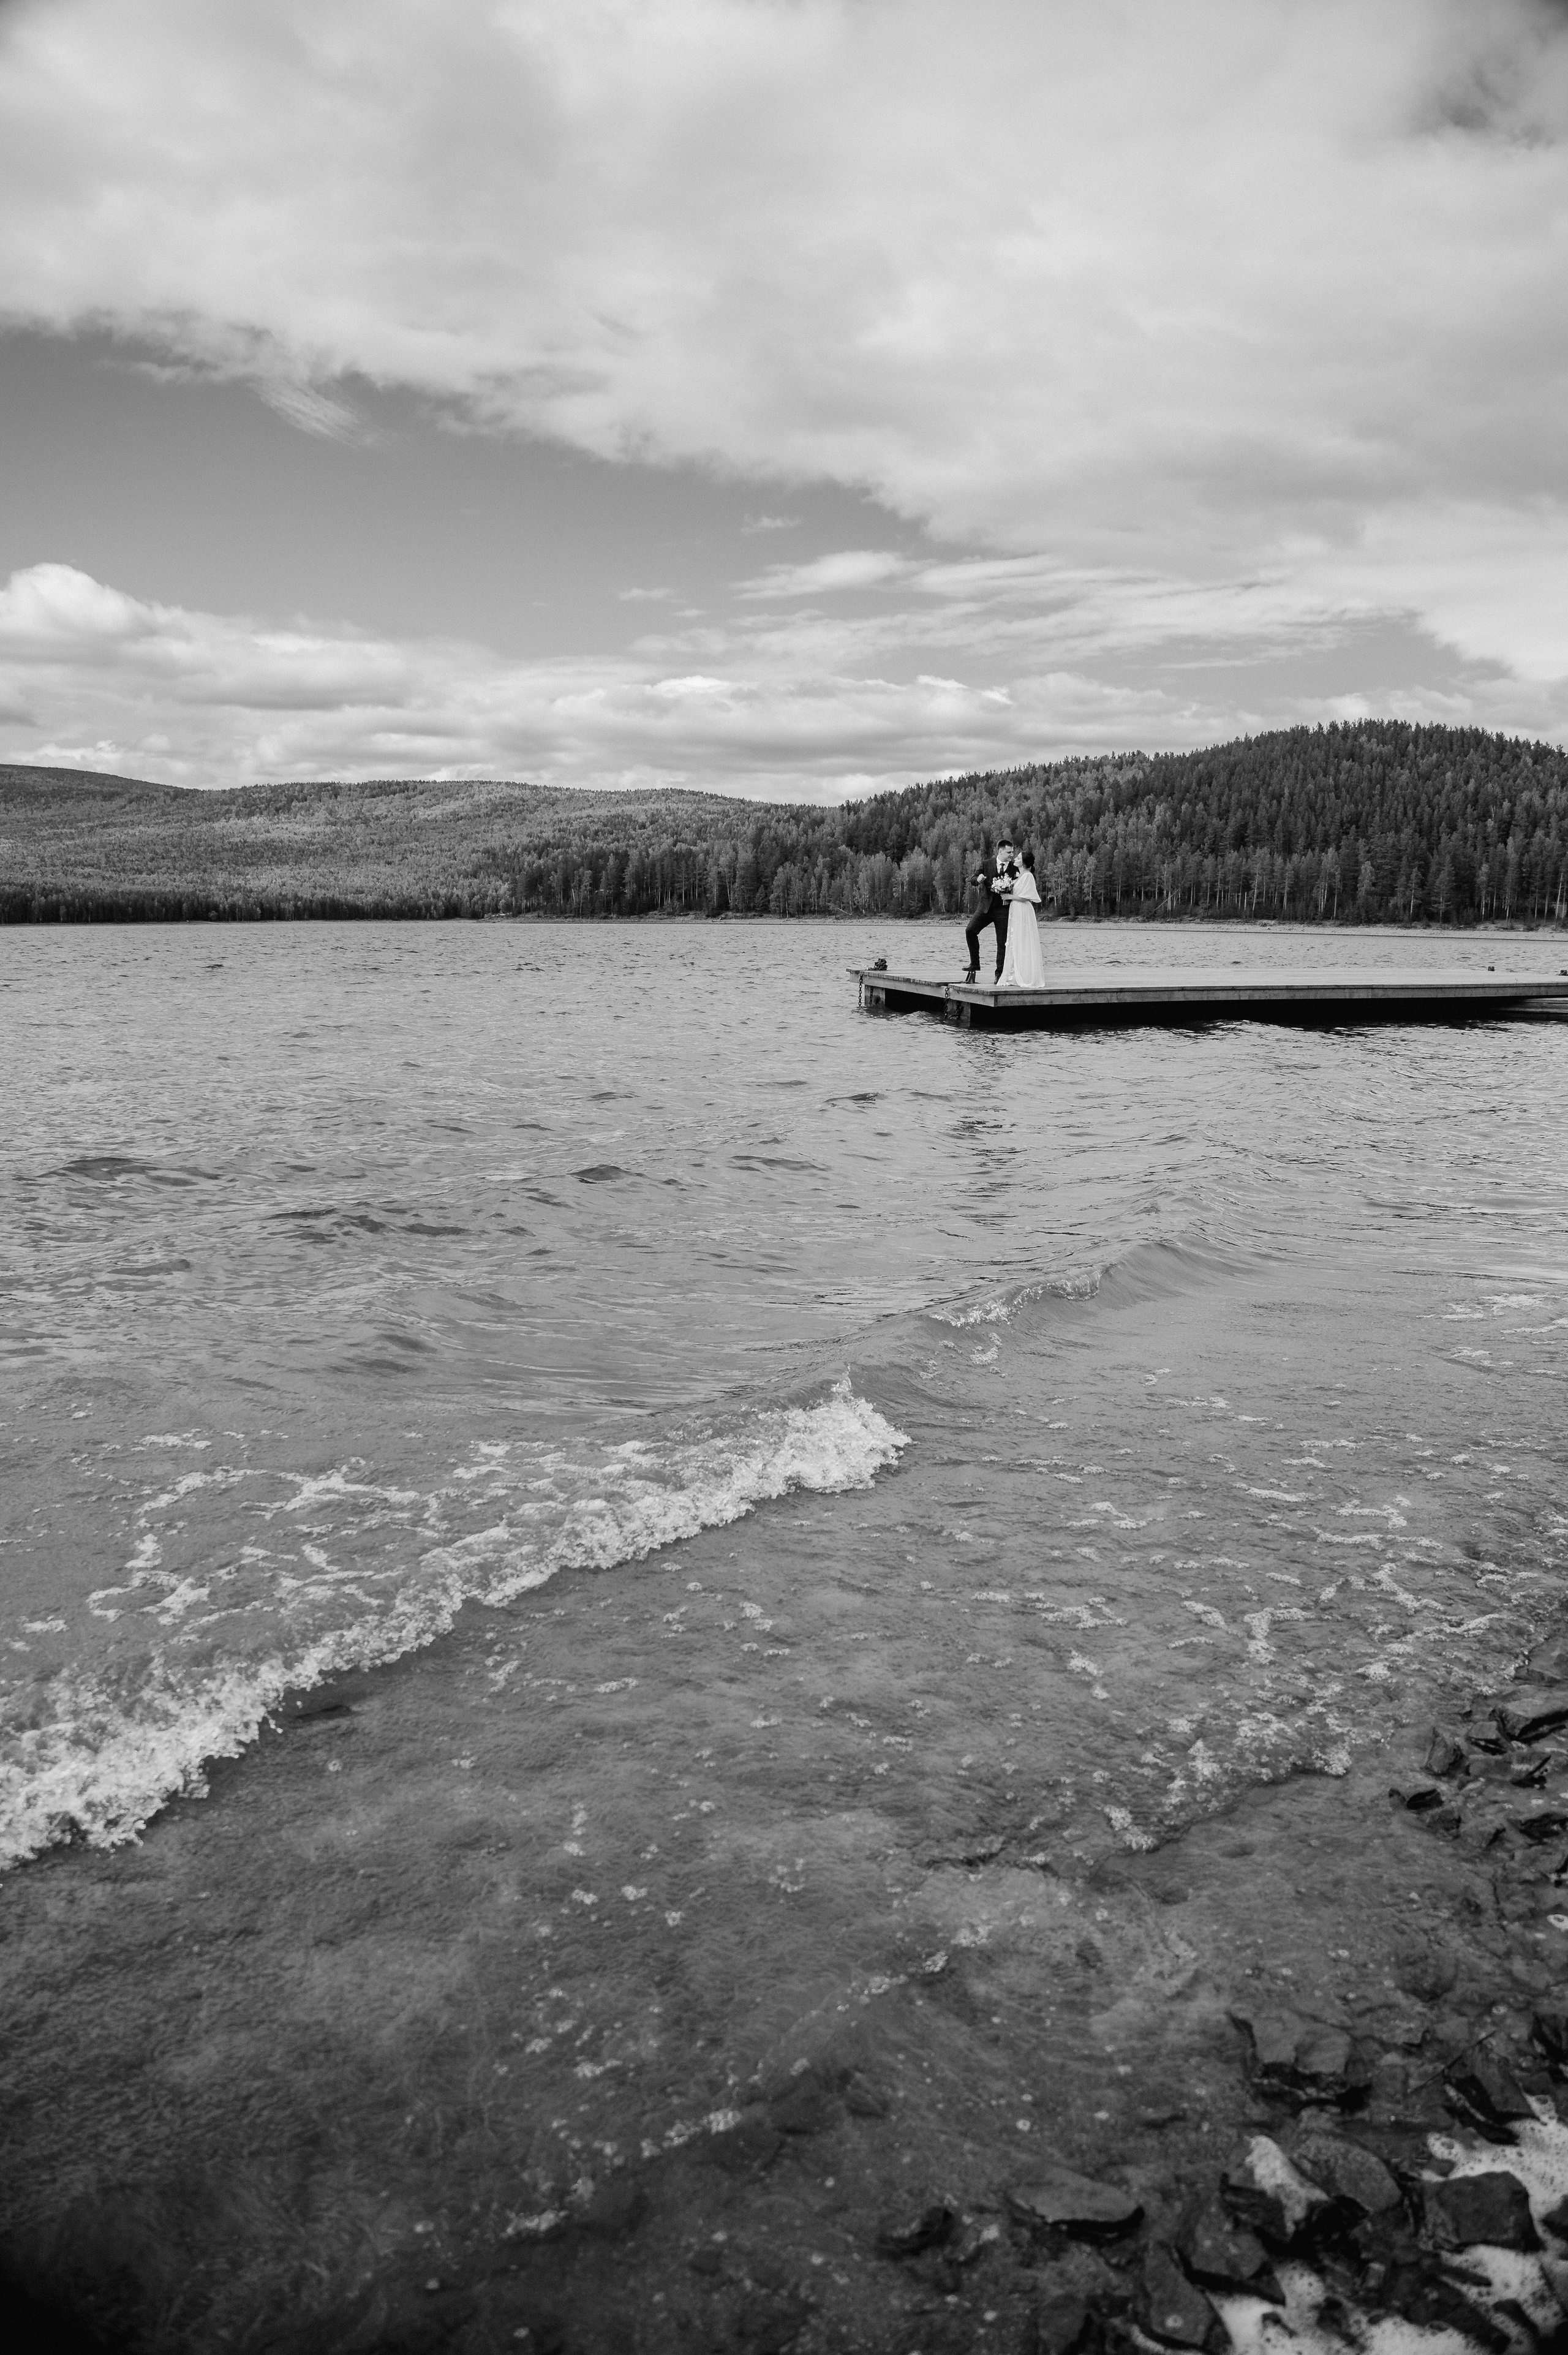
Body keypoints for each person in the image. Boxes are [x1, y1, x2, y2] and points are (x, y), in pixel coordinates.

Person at [963, 840, 1016, 982]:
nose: (1012, 855)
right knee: (970, 931)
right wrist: (978, 879)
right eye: (1009, 852)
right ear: (1000, 851)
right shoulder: (986, 864)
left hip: (1003, 909)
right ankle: (975, 963)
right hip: (985, 907)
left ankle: (999, 974)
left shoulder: (1014, 868)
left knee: (1002, 942)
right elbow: (973, 879)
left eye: (1013, 852)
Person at [999, 849, 1045, 987]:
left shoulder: (1028, 876)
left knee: (1022, 941)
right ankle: (1014, 974)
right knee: (1015, 940)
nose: (1016, 859)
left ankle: (1024, 975)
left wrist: (1010, 897)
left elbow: (1027, 897)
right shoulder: (1020, 876)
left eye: (1018, 858)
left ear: (1023, 862)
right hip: (1016, 910)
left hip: (1023, 911)